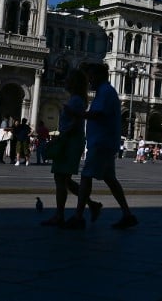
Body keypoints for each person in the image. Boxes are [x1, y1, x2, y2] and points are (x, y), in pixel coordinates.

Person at [62, 62, 138, 231]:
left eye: (91, 77)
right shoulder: (105, 92)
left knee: (86, 176)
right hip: (104, 141)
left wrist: (77, 114)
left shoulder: (105, 92)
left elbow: (98, 114)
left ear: (97, 76)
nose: (89, 81)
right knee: (110, 179)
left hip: (102, 142)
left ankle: (79, 216)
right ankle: (127, 214)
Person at [42, 69, 103, 227]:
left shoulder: (76, 100)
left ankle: (59, 215)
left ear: (74, 83)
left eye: (68, 79)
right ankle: (91, 204)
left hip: (69, 141)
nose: (65, 81)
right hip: (71, 140)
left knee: (60, 178)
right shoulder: (76, 99)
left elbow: (75, 123)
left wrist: (59, 139)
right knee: (65, 179)